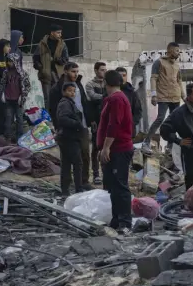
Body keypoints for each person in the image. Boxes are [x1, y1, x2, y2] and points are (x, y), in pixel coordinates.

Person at [97, 70, 135, 230]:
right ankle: (116, 219)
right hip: (114, 149)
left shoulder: (117, 99)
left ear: (107, 82)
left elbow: (114, 125)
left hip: (119, 149)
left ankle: (125, 222)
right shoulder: (112, 99)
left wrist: (106, 148)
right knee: (112, 187)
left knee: (120, 186)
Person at [48, 62, 93, 186]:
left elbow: (84, 103)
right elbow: (52, 109)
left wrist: (90, 120)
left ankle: (84, 182)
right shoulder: (57, 88)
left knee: (84, 155)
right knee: (67, 159)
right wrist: (58, 127)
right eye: (73, 71)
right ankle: (66, 186)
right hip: (67, 129)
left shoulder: (78, 85)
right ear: (65, 71)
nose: (76, 74)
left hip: (81, 126)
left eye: (77, 71)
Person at [144, 42, 183, 151]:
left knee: (174, 121)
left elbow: (179, 81)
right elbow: (153, 79)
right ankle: (146, 142)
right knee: (160, 118)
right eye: (176, 51)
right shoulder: (159, 62)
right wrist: (153, 95)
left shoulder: (177, 65)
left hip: (175, 97)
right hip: (163, 96)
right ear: (170, 50)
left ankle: (170, 146)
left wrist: (184, 96)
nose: (178, 53)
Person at [54, 82, 88, 196]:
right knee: (76, 164)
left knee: (67, 164)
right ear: (64, 92)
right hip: (69, 138)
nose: (72, 93)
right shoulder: (64, 103)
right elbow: (63, 119)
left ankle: (66, 190)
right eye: (69, 91)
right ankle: (78, 189)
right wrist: (77, 125)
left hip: (68, 137)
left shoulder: (69, 102)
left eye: (73, 91)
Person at [0, 47, 30, 143]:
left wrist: (23, 96)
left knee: (19, 119)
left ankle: (20, 138)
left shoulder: (22, 74)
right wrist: (2, 93)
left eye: (11, 61)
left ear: (16, 61)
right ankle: (8, 138)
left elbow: (28, 86)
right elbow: (2, 84)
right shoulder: (6, 72)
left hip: (18, 101)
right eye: (8, 61)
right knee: (8, 119)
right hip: (8, 99)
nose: (9, 63)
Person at [33, 25, 69, 111]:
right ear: (52, 33)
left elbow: (66, 59)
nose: (60, 35)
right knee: (48, 98)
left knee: (58, 96)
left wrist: (57, 60)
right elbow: (35, 59)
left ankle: (59, 116)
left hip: (58, 75)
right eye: (58, 32)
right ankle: (49, 119)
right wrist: (40, 67)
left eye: (60, 33)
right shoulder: (42, 44)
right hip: (45, 75)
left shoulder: (62, 44)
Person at [85, 62, 108, 184]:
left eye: (105, 70)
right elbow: (93, 96)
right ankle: (96, 174)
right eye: (102, 70)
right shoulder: (90, 84)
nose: (104, 72)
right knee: (95, 147)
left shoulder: (108, 83)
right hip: (96, 119)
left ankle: (106, 173)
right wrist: (106, 96)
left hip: (107, 119)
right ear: (95, 70)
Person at [116, 66, 143, 137]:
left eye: (124, 75)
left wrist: (131, 123)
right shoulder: (110, 91)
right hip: (114, 130)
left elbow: (138, 111)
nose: (122, 78)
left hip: (128, 130)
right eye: (119, 76)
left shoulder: (132, 92)